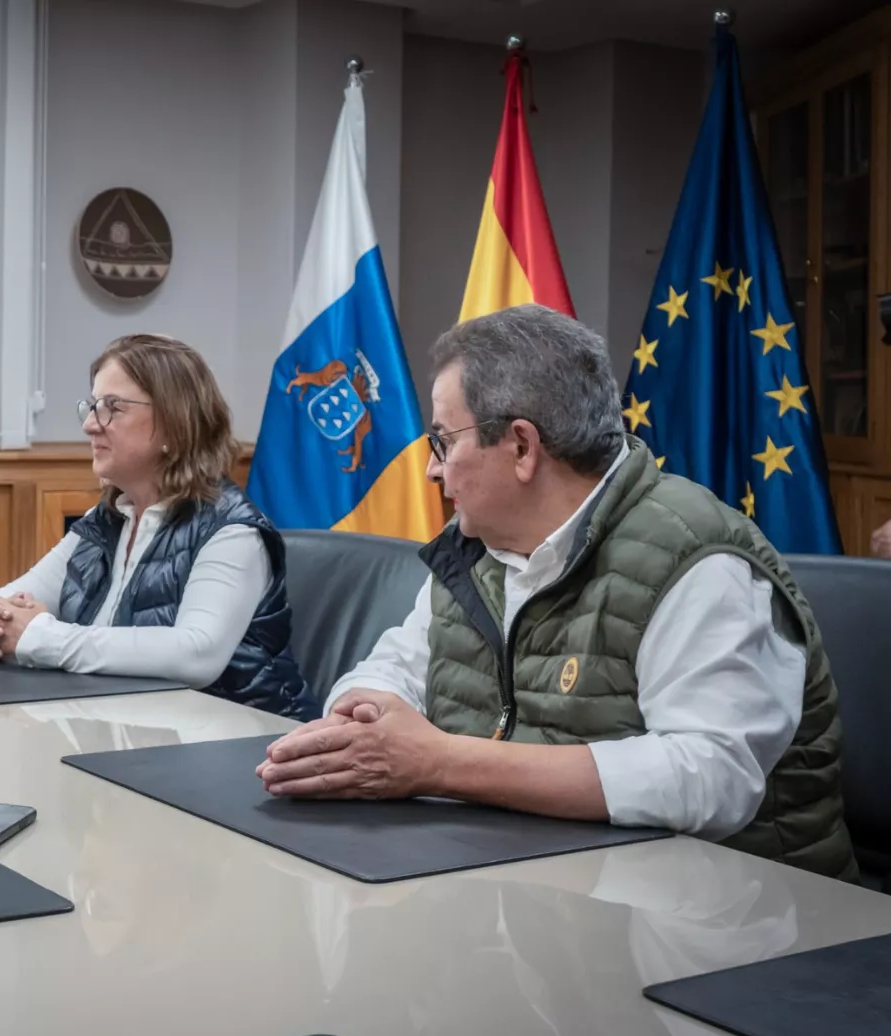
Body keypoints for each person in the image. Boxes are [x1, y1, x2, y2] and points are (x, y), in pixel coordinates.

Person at [259, 303, 856, 881]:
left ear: (522, 447)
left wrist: (438, 763)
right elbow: (397, 663)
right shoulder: (480, 546)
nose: (432, 470)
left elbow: (710, 777)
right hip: (527, 877)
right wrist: (364, 716)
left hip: (735, 915)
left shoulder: (698, 560)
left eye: (444, 441)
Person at [0, 333, 316, 721]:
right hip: (135, 728)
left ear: (174, 423)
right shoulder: (107, 519)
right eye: (92, 406)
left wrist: (42, 637)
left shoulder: (233, 532)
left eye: (112, 408)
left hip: (251, 741)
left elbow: (196, 655)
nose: (90, 425)